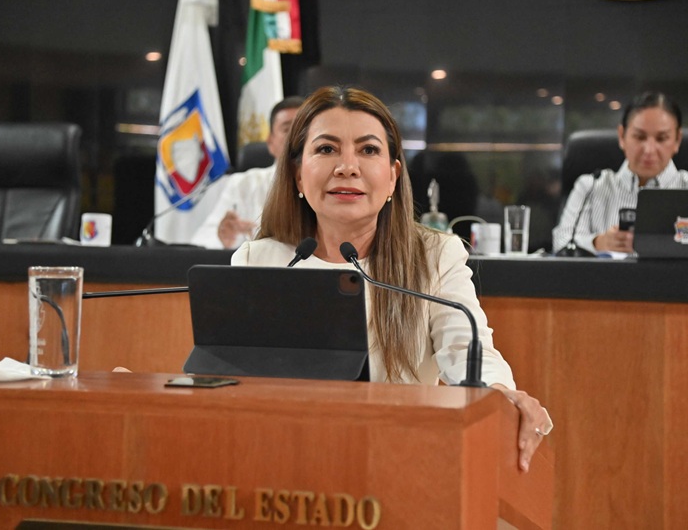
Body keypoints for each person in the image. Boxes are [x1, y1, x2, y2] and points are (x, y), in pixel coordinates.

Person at [231, 85, 553, 473]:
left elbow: (467, 349)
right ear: (298, 174)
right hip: (284, 463)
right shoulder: (258, 261)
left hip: (399, 461)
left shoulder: (435, 256)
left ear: (393, 176)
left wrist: (499, 392)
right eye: (326, 148)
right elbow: (231, 380)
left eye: (368, 150)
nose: (347, 167)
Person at [552, 91, 688, 255]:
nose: (649, 150)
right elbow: (561, 242)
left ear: (677, 140)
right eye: (640, 137)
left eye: (661, 138)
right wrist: (598, 242)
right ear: (622, 136)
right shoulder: (591, 186)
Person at [190, 96, 305, 249]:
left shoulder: (330, 184)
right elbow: (202, 240)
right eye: (287, 129)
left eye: (303, 129)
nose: (296, 137)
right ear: (270, 143)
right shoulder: (243, 184)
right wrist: (224, 239)